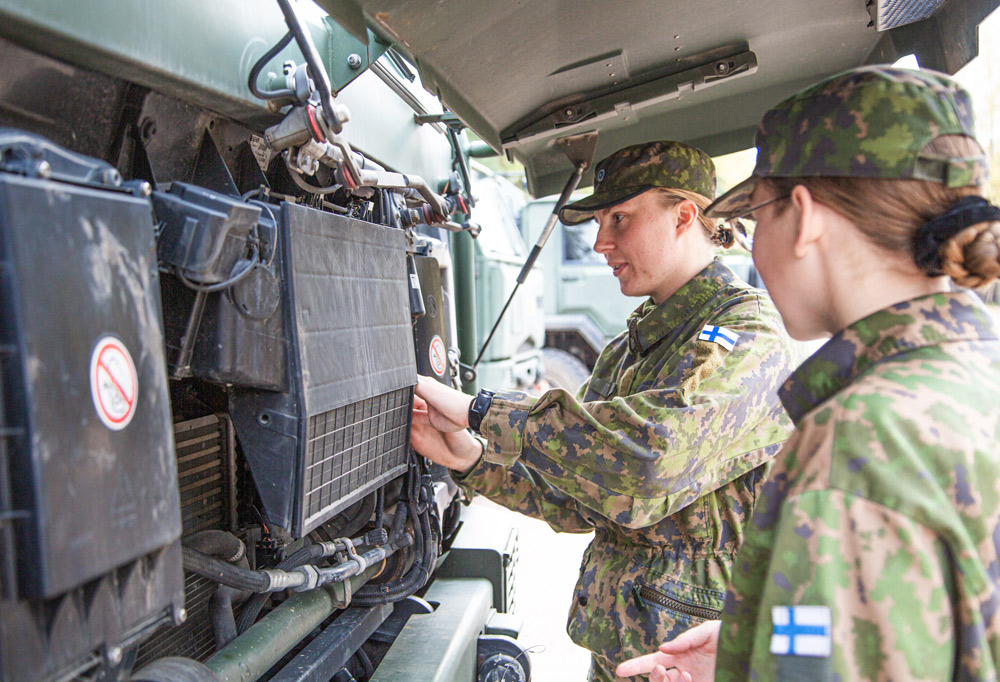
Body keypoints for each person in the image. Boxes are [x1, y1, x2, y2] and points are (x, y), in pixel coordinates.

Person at [616, 66, 1000, 682]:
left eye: (760, 217)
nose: (753, 248)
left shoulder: (861, 439)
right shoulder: (970, 376)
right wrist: (757, 654)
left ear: (805, 215)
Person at [411, 140, 796, 681]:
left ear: (686, 216)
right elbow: (581, 499)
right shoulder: (629, 347)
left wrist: (483, 411)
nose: (600, 242)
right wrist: (472, 458)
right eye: (598, 222)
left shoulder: (747, 335)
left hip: (702, 660)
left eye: (619, 218)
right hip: (624, 652)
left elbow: (651, 457)